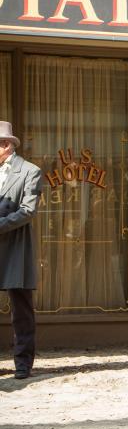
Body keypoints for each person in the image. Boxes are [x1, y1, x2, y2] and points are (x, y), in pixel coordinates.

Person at [0, 122, 42, 380]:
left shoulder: (30, 171)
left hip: (15, 248)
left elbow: (28, 210)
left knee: (21, 310)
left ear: (6, 145)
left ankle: (23, 363)